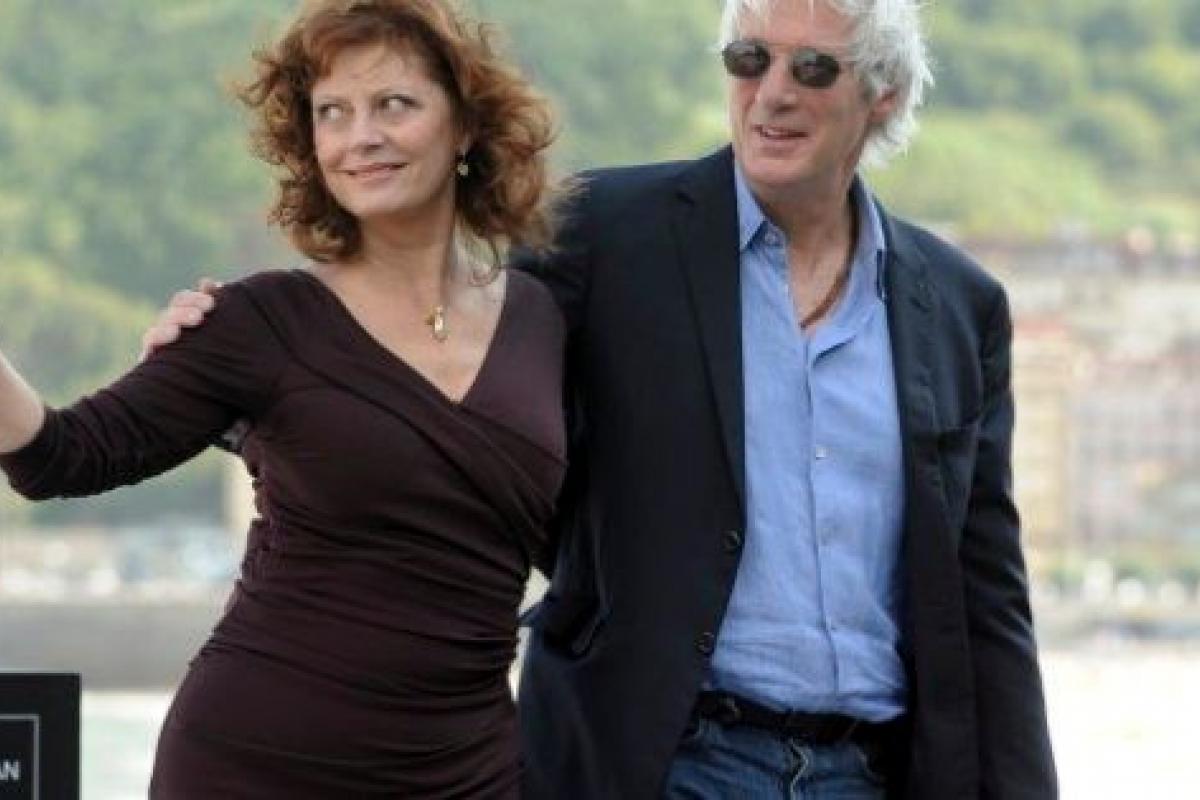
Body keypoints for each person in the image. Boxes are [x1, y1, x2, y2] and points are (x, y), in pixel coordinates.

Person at [149, 0, 1058, 797]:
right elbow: (440, 355)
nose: (772, 92)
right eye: (750, 59)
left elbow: (984, 596)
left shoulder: (959, 306)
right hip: (651, 763)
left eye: (813, 68)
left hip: (872, 772)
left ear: (883, 94)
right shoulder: (606, 235)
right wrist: (239, 361)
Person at [0, 0, 567, 796]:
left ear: (466, 125)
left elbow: (599, 538)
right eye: (332, 112)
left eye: (393, 104)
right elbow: (59, 457)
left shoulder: (543, 317)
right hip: (257, 762)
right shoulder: (259, 321)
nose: (359, 136)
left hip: (466, 771)